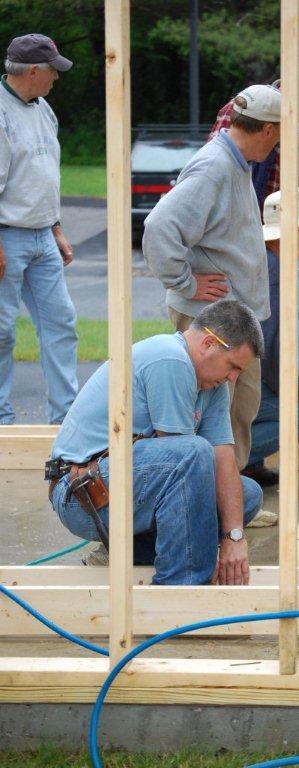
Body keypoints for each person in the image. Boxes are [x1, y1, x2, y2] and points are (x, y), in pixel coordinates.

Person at [48, 300, 265, 586]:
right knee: (193, 453)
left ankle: (137, 555)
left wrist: (234, 537)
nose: (233, 377)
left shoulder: (212, 383)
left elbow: (223, 454)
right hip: (82, 494)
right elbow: (184, 460)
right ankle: (181, 586)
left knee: (244, 495)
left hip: (121, 486)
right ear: (209, 343)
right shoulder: (170, 359)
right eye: (233, 366)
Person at [143, 84, 291, 472]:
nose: (279, 147)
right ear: (268, 130)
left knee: (238, 413)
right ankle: (211, 512)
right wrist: (186, 283)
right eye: (281, 135)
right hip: (211, 321)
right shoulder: (215, 166)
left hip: (235, 320)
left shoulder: (236, 163)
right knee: (212, 419)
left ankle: (231, 503)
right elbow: (160, 227)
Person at [210, 63, 299, 411]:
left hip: (294, 231)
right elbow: (219, 170)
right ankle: (274, 395)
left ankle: (291, 387)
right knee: (256, 316)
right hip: (248, 234)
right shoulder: (243, 111)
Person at [0, 33, 78, 425]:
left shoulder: (44, 109)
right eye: (52, 71)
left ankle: (66, 416)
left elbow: (45, 176)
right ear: (33, 71)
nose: (56, 79)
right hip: (6, 236)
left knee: (61, 322)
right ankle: (1, 419)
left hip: (42, 235)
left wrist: (57, 228)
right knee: (0, 330)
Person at [242, 189, 299, 488]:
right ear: (291, 231)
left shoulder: (265, 260)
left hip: (239, 377)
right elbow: (267, 348)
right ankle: (231, 459)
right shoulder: (274, 271)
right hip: (242, 380)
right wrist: (296, 393)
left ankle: (251, 465)